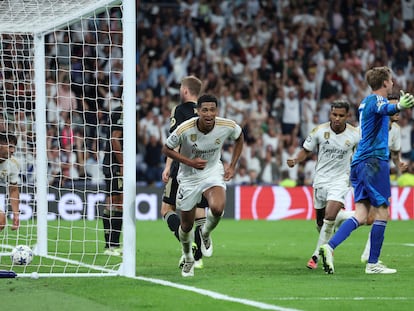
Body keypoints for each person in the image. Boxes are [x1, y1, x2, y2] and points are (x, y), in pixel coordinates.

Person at [319, 66, 414, 274]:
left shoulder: (365, 101)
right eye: (391, 80)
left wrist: (396, 106)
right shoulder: (377, 100)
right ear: (385, 83)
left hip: (360, 162)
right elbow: (385, 109)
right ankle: (373, 263)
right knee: (382, 212)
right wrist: (400, 105)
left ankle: (329, 246)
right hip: (373, 162)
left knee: (362, 214)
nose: (393, 83)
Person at [162, 94, 244, 277]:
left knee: (217, 207)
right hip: (189, 178)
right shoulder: (185, 129)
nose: (209, 114)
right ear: (198, 111)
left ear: (217, 111)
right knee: (185, 226)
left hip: (212, 171)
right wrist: (189, 162)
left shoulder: (227, 126)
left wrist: (232, 165)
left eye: (212, 110)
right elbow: (166, 149)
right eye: (205, 110)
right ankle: (188, 257)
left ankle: (205, 234)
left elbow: (240, 137)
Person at [287, 100, 359, 270]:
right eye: (334, 114)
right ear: (330, 114)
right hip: (321, 180)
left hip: (341, 180)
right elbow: (306, 149)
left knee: (328, 217)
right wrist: (296, 159)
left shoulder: (355, 134)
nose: (337, 118)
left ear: (347, 116)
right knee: (320, 221)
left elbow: (360, 156)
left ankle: (316, 256)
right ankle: (342, 217)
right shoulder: (319, 131)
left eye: (341, 115)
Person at [160, 75, 208, 269]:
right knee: (199, 213)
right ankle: (197, 258)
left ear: (186, 90)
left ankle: (188, 245)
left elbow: (176, 141)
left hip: (183, 168)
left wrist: (167, 166)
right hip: (204, 169)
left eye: (181, 87)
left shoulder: (178, 110)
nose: (180, 90)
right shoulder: (206, 113)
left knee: (167, 209)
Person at [360, 94, 409, 262]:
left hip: (380, 171)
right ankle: (369, 256)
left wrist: (399, 163)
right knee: (379, 213)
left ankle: (342, 218)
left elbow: (394, 153)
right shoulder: (374, 125)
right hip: (366, 168)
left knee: (371, 217)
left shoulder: (395, 130)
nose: (397, 111)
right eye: (394, 107)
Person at [102, 105, 123, 256]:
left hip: (109, 163)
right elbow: (115, 138)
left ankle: (110, 244)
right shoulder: (121, 112)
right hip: (114, 164)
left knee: (112, 201)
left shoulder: (115, 111)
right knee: (117, 202)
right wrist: (122, 163)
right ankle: (112, 245)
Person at [0, 132, 20, 231]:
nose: (13, 150)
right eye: (10, 146)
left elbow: (13, 189)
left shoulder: (13, 164)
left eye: (14, 147)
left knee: (0, 221)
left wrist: (16, 214)